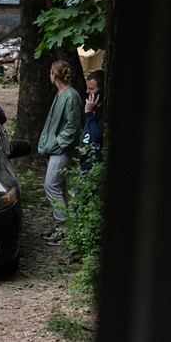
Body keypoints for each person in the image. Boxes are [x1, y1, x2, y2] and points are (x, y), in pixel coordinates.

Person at [37, 59, 84, 245]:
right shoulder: (61, 93)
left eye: (50, 72)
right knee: (61, 187)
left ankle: (63, 227)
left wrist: (57, 144)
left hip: (61, 150)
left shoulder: (71, 95)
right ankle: (65, 226)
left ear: (54, 74)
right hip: (54, 148)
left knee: (51, 186)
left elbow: (72, 127)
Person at [79, 69, 105, 170]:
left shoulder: (102, 113)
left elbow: (96, 135)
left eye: (91, 89)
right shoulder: (93, 108)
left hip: (94, 166)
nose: (87, 91)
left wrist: (89, 113)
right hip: (84, 164)